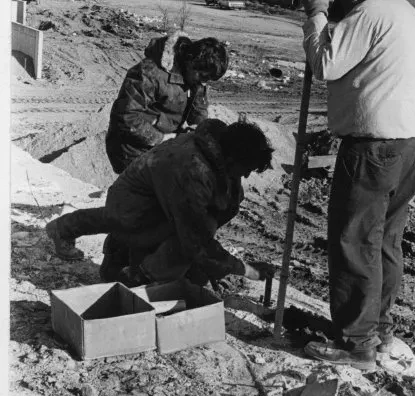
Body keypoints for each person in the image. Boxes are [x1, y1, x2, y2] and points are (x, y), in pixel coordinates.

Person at [301, 0, 415, 371]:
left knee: (355, 240)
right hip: (414, 144)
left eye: (338, 2)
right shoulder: (409, 16)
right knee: (384, 242)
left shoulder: (368, 13)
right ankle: (379, 331)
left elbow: (324, 63)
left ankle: (356, 343)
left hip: (376, 147)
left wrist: (315, 13)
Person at [46, 118, 276, 286]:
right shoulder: (192, 170)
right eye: (246, 168)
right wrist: (245, 269)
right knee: (177, 241)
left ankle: (129, 258)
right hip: (134, 205)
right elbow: (195, 239)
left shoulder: (215, 153)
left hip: (157, 204)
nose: (245, 176)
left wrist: (215, 265)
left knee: (194, 253)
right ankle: (133, 273)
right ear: (231, 157)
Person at [105, 32, 229, 174]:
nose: (203, 82)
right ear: (190, 61)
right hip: (133, 148)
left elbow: (199, 108)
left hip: (165, 145)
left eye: (207, 79)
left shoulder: (196, 74)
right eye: (202, 76)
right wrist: (161, 138)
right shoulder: (149, 73)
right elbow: (126, 117)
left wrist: (198, 127)